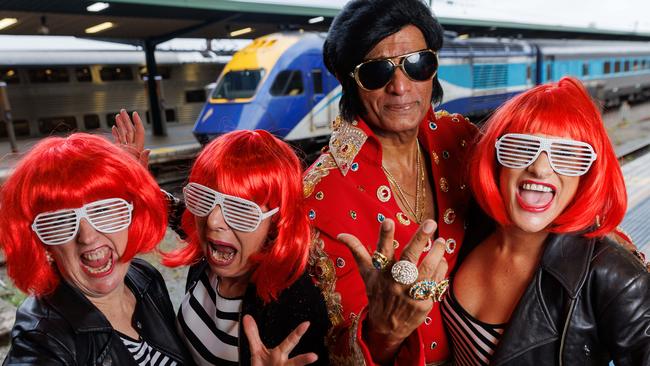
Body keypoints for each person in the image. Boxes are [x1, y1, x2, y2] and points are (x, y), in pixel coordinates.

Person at [303, 0, 478, 364]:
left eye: (418, 64)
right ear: (349, 82)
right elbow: (339, 352)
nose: (400, 86)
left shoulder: (461, 139)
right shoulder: (321, 196)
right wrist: (384, 330)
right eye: (376, 72)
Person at [440, 77, 650, 365]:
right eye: (521, 147)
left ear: (586, 175)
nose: (539, 168)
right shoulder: (471, 227)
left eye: (565, 155)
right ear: (497, 160)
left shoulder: (616, 278)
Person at [113, 112, 329, 366]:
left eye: (239, 210)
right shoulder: (213, 252)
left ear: (276, 221)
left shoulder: (295, 306)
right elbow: (183, 215)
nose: (213, 222)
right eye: (204, 198)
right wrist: (137, 182)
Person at [0, 133, 192, 365]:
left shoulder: (143, 277)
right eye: (59, 221)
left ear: (130, 215)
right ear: (42, 242)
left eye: (103, 210)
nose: (88, 237)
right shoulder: (42, 340)